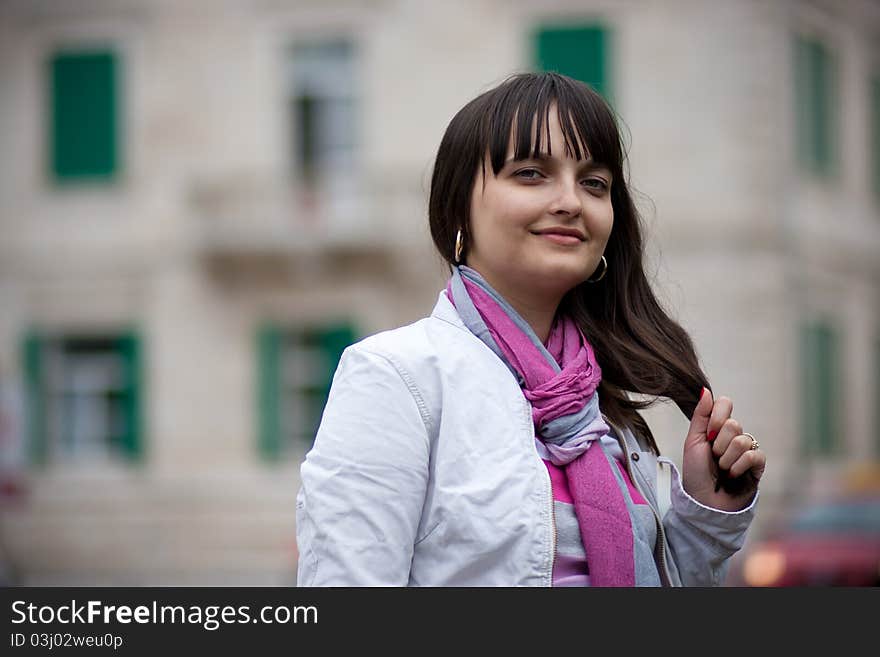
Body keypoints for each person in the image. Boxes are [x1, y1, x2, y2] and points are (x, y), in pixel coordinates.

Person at [295, 72, 766, 586]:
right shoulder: (397, 378)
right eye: (530, 174)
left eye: (594, 183)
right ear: (459, 207)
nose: (570, 201)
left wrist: (704, 519)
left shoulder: (606, 411)